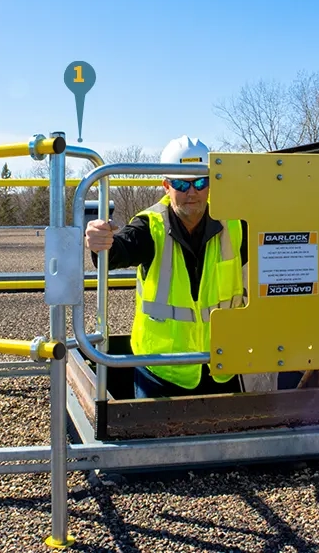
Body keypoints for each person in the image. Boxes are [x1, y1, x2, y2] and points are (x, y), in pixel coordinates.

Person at [85, 135, 248, 399]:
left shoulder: (235, 226)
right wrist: (100, 241)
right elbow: (119, 251)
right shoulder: (150, 226)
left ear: (211, 184)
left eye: (200, 182)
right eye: (181, 183)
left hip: (220, 365)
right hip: (161, 369)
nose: (191, 192)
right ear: (166, 186)